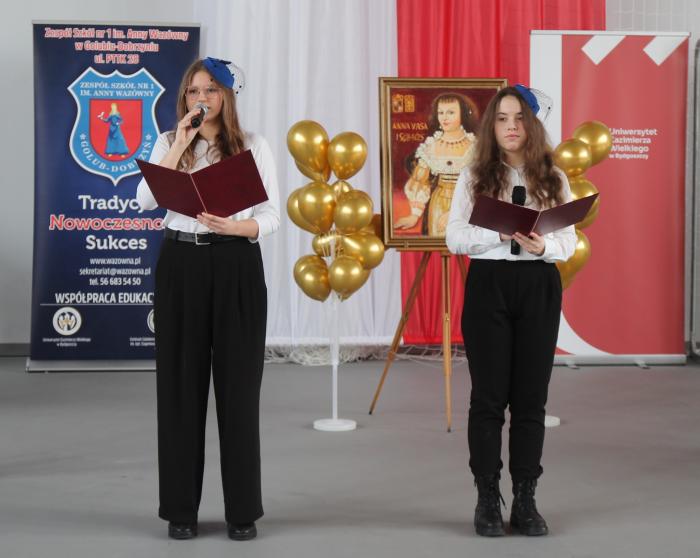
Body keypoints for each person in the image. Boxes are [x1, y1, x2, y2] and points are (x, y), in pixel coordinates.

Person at [136, 57, 280, 541]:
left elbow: (272, 216)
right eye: (194, 90)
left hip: (236, 263)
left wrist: (237, 227)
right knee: (180, 389)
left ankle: (243, 511)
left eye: (211, 90)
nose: (202, 98)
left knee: (239, 390)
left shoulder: (252, 145)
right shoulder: (167, 141)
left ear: (227, 96)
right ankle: (181, 510)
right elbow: (144, 201)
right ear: (185, 98)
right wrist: (181, 143)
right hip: (182, 264)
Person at [446, 85, 576, 537]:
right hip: (490, 284)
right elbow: (454, 238)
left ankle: (525, 498)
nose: (511, 126)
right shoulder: (474, 175)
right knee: (487, 397)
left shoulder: (553, 177)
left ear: (533, 124)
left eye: (519, 118)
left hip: (538, 285)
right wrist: (497, 235)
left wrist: (544, 246)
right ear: (491, 126)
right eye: (501, 118)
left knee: (530, 398)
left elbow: (569, 241)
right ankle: (487, 497)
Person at [394, 93, 478, 236]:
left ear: (463, 114)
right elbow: (420, 183)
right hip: (437, 204)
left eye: (451, 112)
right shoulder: (430, 147)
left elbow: (482, 187)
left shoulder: (476, 147)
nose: (444, 117)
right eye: (441, 112)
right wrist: (414, 215)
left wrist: (457, 212)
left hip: (468, 206)